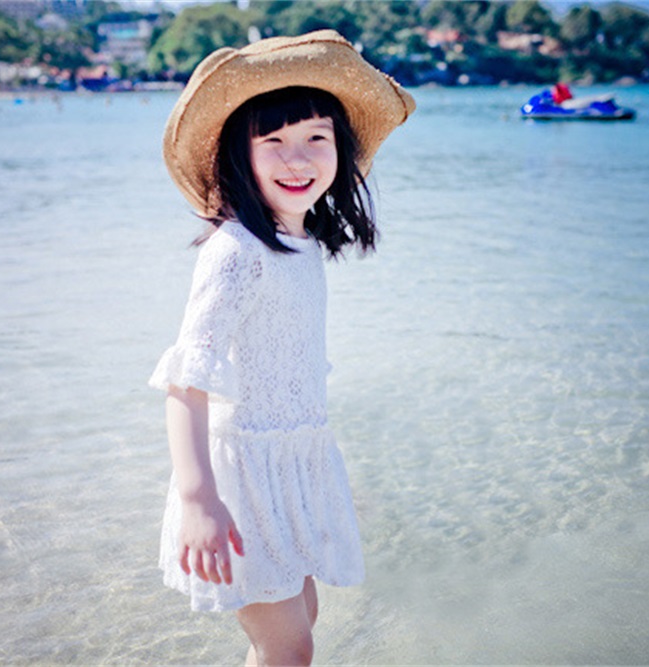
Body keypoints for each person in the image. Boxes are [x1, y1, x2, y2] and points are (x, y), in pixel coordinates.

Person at [148, 30, 415, 666]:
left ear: (341, 150)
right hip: (241, 481)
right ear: (240, 156)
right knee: (288, 646)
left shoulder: (302, 245)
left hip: (292, 466)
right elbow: (187, 380)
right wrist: (199, 500)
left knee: (300, 623)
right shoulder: (236, 251)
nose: (297, 160)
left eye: (316, 139)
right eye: (273, 142)